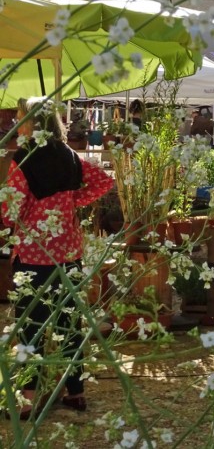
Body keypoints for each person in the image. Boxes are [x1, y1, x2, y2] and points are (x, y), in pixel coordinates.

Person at [1, 97, 114, 418]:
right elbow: (104, 181)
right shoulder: (70, 155)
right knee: (69, 324)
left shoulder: (24, 158)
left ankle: (28, 398)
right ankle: (76, 392)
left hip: (34, 254)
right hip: (68, 252)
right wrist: (73, 201)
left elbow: (11, 210)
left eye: (21, 117)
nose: (18, 123)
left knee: (31, 326)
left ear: (33, 123)